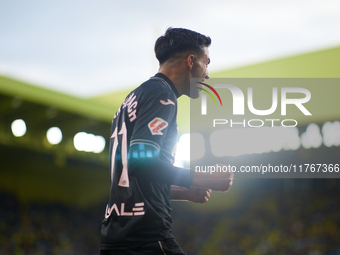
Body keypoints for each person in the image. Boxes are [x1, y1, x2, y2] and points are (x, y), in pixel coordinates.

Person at [100, 27, 233, 255]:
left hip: (118, 239)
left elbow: (135, 177)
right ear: (191, 61)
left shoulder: (134, 98)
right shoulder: (162, 95)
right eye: (206, 62)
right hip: (145, 240)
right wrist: (202, 178)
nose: (208, 74)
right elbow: (141, 163)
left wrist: (185, 191)